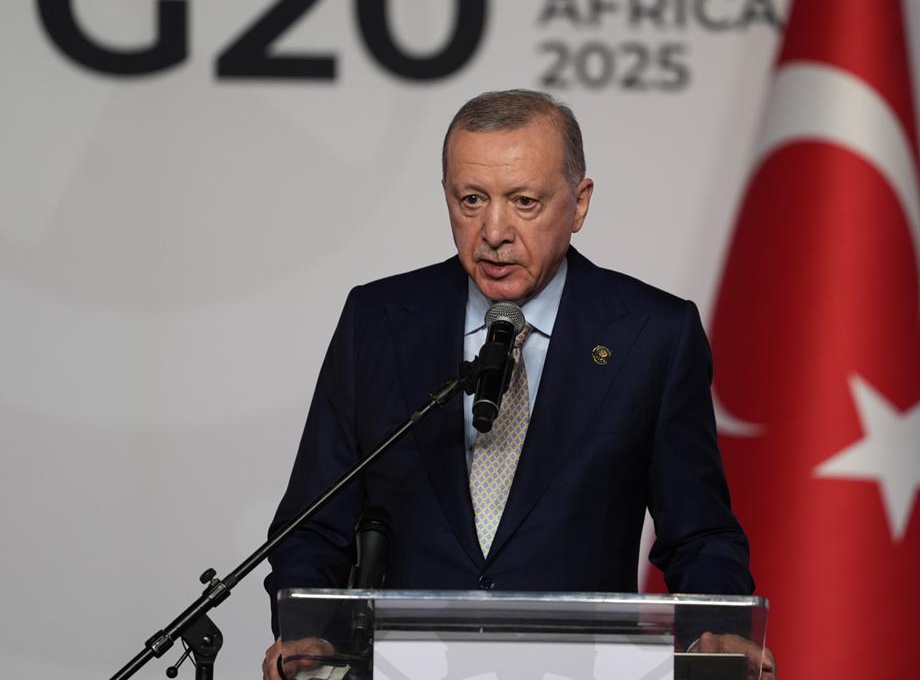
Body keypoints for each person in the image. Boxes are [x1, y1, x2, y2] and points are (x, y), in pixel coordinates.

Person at [261, 89, 774, 678]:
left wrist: (718, 631)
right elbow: (312, 523)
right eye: (471, 199)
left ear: (579, 204)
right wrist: (312, 634)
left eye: (524, 201)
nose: (494, 231)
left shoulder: (653, 335)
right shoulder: (379, 321)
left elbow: (700, 535)